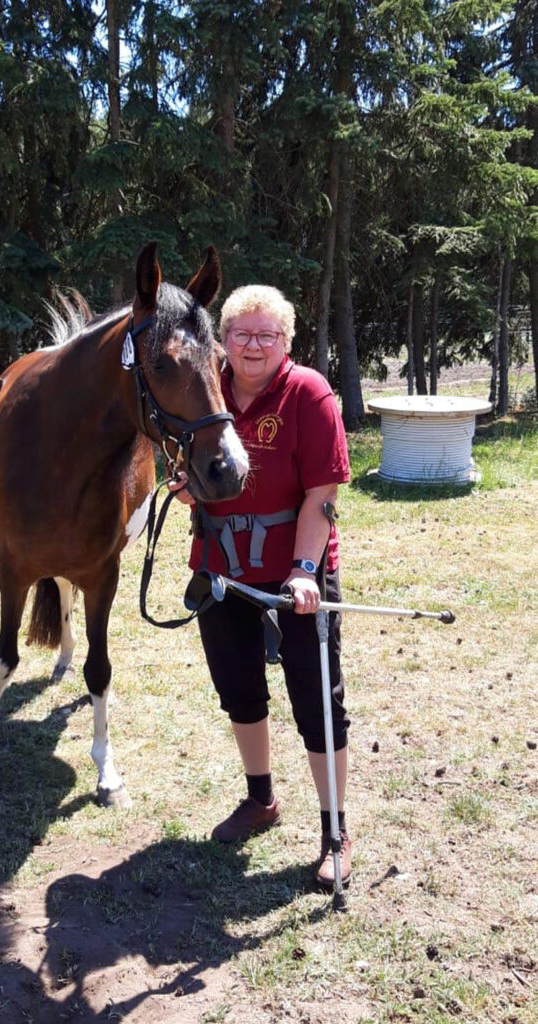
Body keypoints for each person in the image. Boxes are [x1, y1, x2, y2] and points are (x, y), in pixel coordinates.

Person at [168, 285, 352, 887]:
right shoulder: (204, 386)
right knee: (239, 690)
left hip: (296, 570)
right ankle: (262, 800)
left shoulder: (309, 394)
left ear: (286, 341)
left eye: (266, 335)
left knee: (317, 701)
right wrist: (186, 484)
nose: (252, 346)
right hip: (221, 568)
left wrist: (304, 571)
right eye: (241, 334)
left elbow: (321, 497)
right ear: (222, 339)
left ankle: (334, 831)